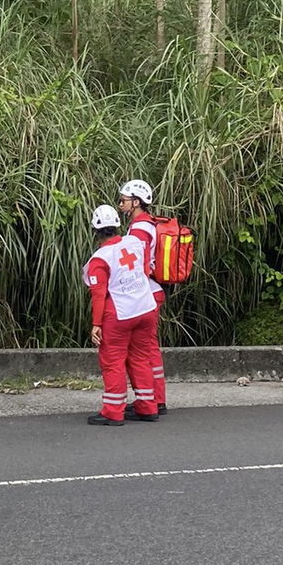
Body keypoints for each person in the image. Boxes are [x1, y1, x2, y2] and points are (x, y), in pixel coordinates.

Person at [82, 204, 159, 426]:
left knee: (113, 361)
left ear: (95, 230)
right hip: (145, 308)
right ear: (117, 225)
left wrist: (96, 324)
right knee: (141, 358)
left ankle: (113, 411)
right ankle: (147, 406)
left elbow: (98, 295)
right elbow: (145, 270)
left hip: (120, 315)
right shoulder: (134, 242)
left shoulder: (100, 259)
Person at [118, 178, 169, 416]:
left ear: (136, 202)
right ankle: (156, 398)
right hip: (152, 291)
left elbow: (136, 265)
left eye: (125, 200)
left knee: (142, 351)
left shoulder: (139, 228)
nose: (121, 204)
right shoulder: (145, 224)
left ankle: (151, 400)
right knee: (149, 348)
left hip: (146, 294)